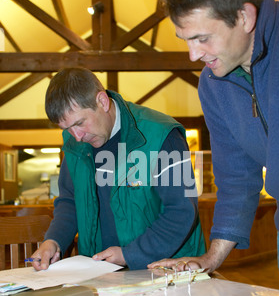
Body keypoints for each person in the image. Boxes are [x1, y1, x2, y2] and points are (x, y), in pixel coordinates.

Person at [148, 0, 279, 290]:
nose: (193, 54)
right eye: (185, 40)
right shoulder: (213, 83)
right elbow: (236, 180)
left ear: (244, 17)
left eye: (202, 38)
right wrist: (210, 259)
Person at [31, 67, 205, 271]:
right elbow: (70, 201)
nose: (77, 136)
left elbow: (181, 212)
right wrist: (54, 240)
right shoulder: (75, 143)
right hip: (101, 271)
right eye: (68, 128)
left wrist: (129, 255)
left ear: (102, 102)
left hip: (169, 270)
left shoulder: (163, 135)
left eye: (80, 123)